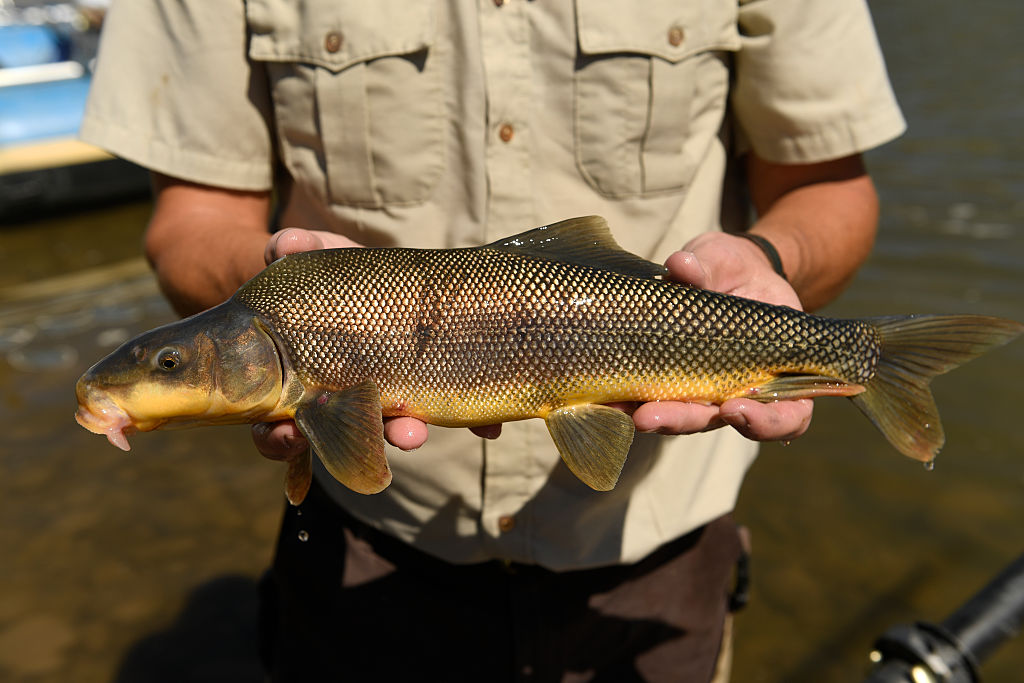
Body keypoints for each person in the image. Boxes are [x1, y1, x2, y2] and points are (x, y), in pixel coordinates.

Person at [82, 1, 904, 680]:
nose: (167, 370)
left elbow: (827, 190)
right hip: (372, 554)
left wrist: (764, 259)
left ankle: (870, 359)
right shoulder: (279, 324)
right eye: (172, 364)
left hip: (658, 547)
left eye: (170, 365)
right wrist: (266, 263)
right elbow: (191, 219)